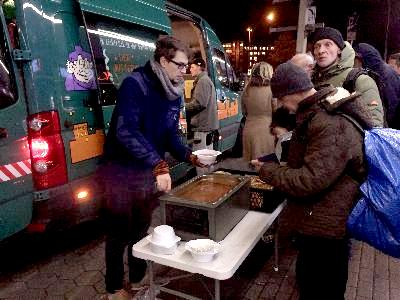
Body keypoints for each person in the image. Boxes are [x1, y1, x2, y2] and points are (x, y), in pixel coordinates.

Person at [100, 36, 203, 300]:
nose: (185, 71)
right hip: (120, 172)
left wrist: (189, 156)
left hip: (146, 171)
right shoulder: (136, 84)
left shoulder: (174, 90)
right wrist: (157, 163)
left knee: (141, 229)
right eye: (180, 65)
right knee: (118, 233)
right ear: (163, 60)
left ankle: (136, 278)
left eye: (187, 66)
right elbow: (126, 131)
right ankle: (113, 288)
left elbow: (169, 133)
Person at [259, 62, 371, 300]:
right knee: (311, 282)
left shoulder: (330, 122)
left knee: (320, 288)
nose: (280, 105)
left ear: (292, 92)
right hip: (320, 220)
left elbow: (309, 180)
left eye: (280, 98)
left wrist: (267, 170)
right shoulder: (319, 111)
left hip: (327, 227)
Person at [311, 27, 385, 127]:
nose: (321, 50)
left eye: (328, 45)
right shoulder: (312, 80)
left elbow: (374, 124)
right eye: (317, 46)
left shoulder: (360, 80)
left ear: (339, 50)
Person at [354, 43, 400, 129]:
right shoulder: (380, 71)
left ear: (362, 59)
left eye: (356, 60)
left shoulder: (383, 75)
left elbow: (391, 104)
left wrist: (385, 127)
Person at [241, 62, 275, 161]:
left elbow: (243, 111)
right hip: (266, 131)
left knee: (252, 166)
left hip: (249, 129)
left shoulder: (247, 89)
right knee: (265, 166)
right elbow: (276, 110)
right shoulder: (272, 90)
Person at [185, 57, 218, 151]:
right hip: (205, 127)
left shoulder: (202, 81)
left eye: (192, 67)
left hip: (202, 128)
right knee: (206, 159)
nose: (190, 69)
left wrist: (183, 108)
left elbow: (200, 103)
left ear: (199, 67)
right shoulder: (205, 80)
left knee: (201, 160)